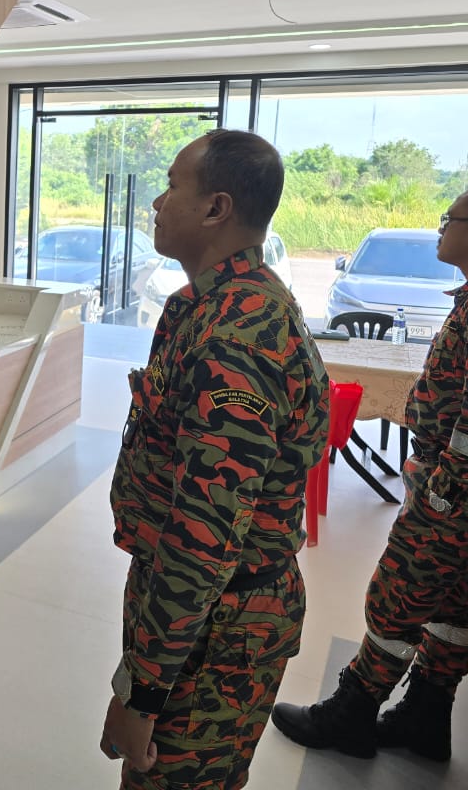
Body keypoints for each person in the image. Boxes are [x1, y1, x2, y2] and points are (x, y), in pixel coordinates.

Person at [271, 178, 468, 763]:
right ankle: (427, 716)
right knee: (446, 599)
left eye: (451, 218)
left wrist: (442, 490)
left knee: (395, 597)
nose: (441, 229)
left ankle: (350, 714)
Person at [102, 129, 329, 790]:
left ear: (216, 208)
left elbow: (204, 537)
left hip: (218, 627)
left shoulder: (238, 335)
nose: (157, 201)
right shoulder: (201, 306)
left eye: (172, 185)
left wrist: (143, 693)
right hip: (189, 614)